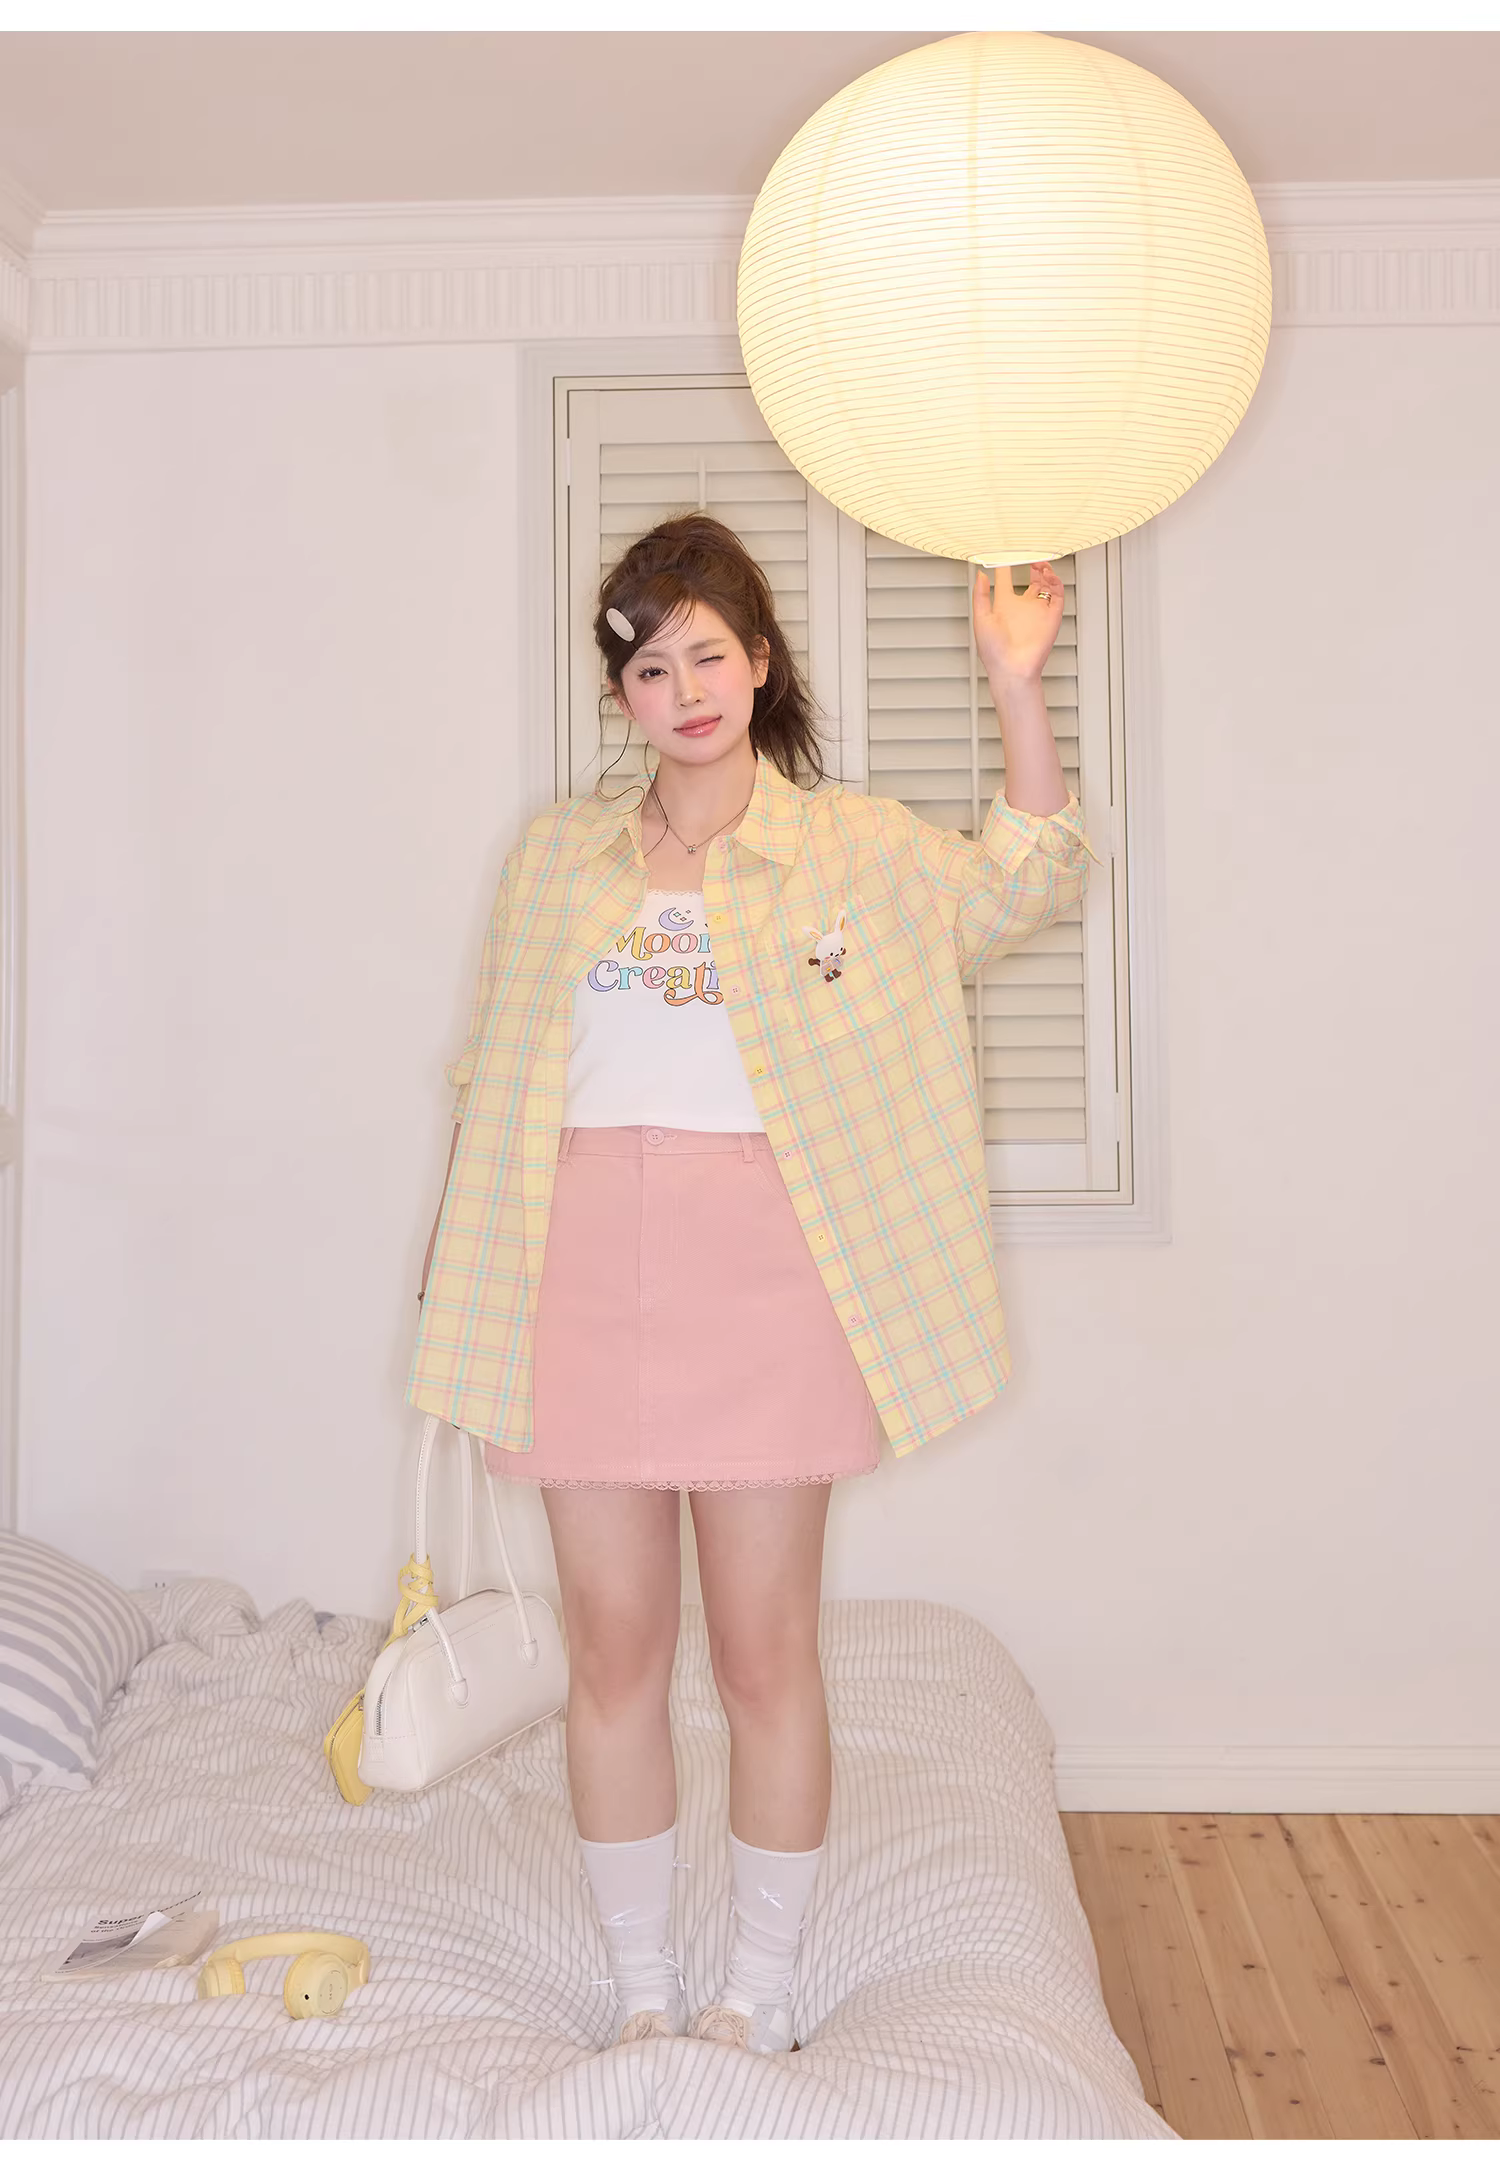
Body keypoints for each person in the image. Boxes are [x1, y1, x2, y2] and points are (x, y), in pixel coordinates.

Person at [409, 513, 1099, 2056]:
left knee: (764, 1651)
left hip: (773, 1283)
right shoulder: (555, 859)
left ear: (762, 661)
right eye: (652, 668)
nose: (686, 690)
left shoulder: (855, 847)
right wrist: (462, 1292)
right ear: (623, 696)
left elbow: (1031, 877)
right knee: (612, 1652)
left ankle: (762, 1991)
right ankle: (644, 1992)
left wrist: (1014, 680)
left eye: (708, 654)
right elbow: (492, 1082)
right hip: (576, 1277)